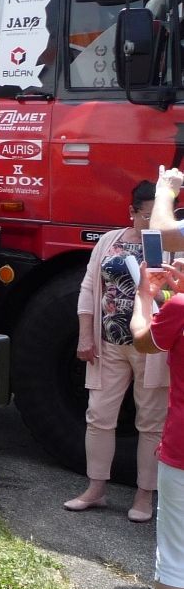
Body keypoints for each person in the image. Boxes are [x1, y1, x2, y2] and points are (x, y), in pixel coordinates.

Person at [66, 180, 168, 521]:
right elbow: (88, 289)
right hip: (108, 342)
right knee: (98, 415)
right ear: (132, 212)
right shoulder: (109, 241)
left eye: (158, 216)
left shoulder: (172, 246)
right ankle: (96, 489)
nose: (151, 222)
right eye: (145, 215)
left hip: (151, 347)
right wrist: (85, 336)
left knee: (151, 422)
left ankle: (143, 497)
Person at [127, 208, 184, 589]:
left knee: (175, 559)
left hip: (182, 452)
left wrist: (147, 296)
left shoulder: (180, 305)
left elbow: (144, 340)